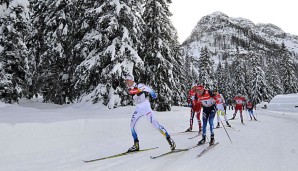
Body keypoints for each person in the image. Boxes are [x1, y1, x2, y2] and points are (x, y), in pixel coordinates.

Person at [124, 74, 175, 152]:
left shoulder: (139, 85)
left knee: (155, 125)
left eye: (127, 80)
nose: (126, 82)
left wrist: (154, 96)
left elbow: (149, 90)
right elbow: (134, 93)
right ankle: (136, 145)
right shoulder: (129, 89)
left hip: (146, 108)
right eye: (125, 81)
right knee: (132, 126)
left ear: (131, 80)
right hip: (138, 108)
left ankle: (169, 140)